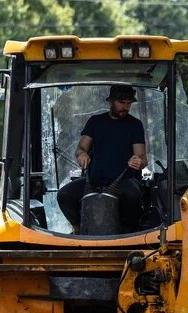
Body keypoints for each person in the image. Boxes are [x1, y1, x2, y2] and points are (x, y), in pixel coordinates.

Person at [57, 85, 147, 233]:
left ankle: (128, 233)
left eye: (128, 104)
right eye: (121, 103)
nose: (125, 107)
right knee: (64, 195)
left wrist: (139, 162)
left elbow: (142, 158)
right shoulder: (95, 122)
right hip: (94, 181)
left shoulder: (135, 125)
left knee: (132, 195)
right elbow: (80, 148)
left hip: (124, 180)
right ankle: (78, 229)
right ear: (111, 101)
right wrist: (82, 154)